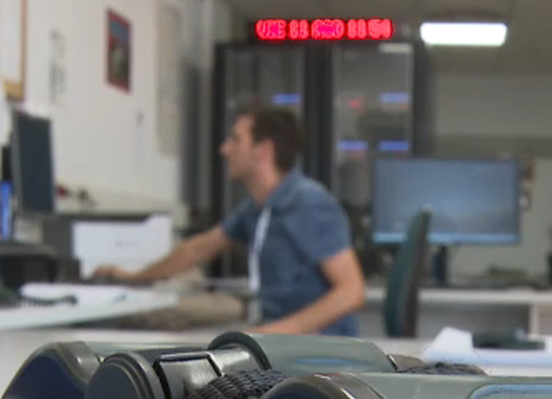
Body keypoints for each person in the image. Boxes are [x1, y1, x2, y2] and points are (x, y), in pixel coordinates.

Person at [95, 106, 365, 336]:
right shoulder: (258, 208)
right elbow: (198, 249)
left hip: (319, 354)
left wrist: (273, 334)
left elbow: (351, 292)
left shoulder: (308, 203)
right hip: (279, 338)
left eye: (236, 139)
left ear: (263, 150)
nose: (225, 149)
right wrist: (135, 277)